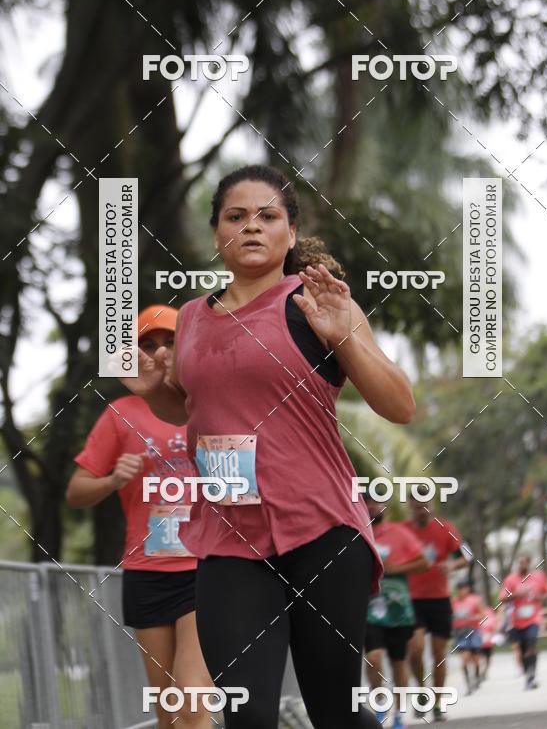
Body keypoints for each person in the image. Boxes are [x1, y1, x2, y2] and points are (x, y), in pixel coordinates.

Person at [120, 164, 416, 729]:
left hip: (321, 529)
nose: (251, 226)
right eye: (236, 216)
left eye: (267, 216)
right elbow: (191, 408)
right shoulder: (189, 320)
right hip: (230, 540)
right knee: (247, 715)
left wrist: (345, 334)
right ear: (216, 234)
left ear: (289, 230)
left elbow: (399, 405)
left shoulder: (318, 303)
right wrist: (154, 389)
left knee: (335, 712)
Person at [66, 305, 213, 729]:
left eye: (169, 341)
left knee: (191, 704)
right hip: (146, 573)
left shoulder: (207, 401)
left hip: (204, 568)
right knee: (168, 715)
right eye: (147, 345)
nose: (160, 352)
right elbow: (77, 492)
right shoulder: (121, 413)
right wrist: (112, 479)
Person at [363, 494, 429, 728]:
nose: (372, 507)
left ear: (384, 506)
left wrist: (396, 568)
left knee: (398, 662)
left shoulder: (399, 533)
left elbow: (424, 562)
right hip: (370, 609)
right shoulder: (358, 533)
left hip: (399, 610)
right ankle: (381, 705)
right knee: (373, 657)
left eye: (376, 502)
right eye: (367, 502)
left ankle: (399, 714)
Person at [404, 491, 468, 722]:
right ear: (411, 507)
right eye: (418, 506)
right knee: (416, 650)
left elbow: (465, 557)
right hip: (412, 600)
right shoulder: (403, 530)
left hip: (439, 599)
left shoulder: (445, 527)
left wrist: (451, 565)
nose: (422, 510)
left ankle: (438, 703)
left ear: (431, 506)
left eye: (426, 506)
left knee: (439, 653)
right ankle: (422, 693)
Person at [499, 553, 547, 690]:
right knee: (522, 651)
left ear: (529, 563)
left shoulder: (539, 577)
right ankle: (529, 673)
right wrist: (517, 594)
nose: (522, 565)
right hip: (517, 622)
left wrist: (540, 597)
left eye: (524, 562)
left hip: (534, 618)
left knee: (531, 640)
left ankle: (531, 674)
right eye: (520, 563)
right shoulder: (511, 579)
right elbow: (502, 598)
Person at [451, 579, 485, 694]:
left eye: (463, 588)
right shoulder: (454, 602)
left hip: (473, 630)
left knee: (475, 658)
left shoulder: (475, 600)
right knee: (464, 658)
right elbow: (451, 617)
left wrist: (472, 618)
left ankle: (476, 677)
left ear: (468, 589)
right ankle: (468, 684)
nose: (461, 591)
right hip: (460, 632)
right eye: (459, 589)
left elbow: (482, 615)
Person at [478, 605, 498, 681]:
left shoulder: (490, 613)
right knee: (480, 657)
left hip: (488, 641)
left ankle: (484, 672)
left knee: (487, 658)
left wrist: (492, 637)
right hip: (479, 641)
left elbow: (494, 626)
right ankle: (481, 671)